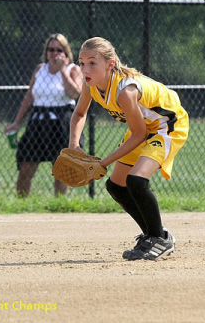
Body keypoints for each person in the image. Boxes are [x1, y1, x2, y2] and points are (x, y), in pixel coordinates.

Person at [69, 37, 189, 261]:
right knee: (116, 186)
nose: (85, 68)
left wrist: (103, 163)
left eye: (92, 63)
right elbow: (78, 114)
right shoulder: (91, 85)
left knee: (136, 180)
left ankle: (159, 240)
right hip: (142, 127)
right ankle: (155, 235)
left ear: (110, 64)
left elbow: (140, 135)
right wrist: (74, 145)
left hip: (167, 124)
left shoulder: (125, 91)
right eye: (81, 62)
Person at [5, 34, 83, 197]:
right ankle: (22, 203)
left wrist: (62, 70)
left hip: (62, 121)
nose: (54, 53)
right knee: (26, 166)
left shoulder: (72, 69)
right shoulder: (40, 69)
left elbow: (74, 93)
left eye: (58, 50)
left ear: (65, 52)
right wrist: (17, 122)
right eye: (51, 49)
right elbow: (29, 97)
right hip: (38, 121)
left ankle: (59, 203)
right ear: (46, 52)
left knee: (61, 168)